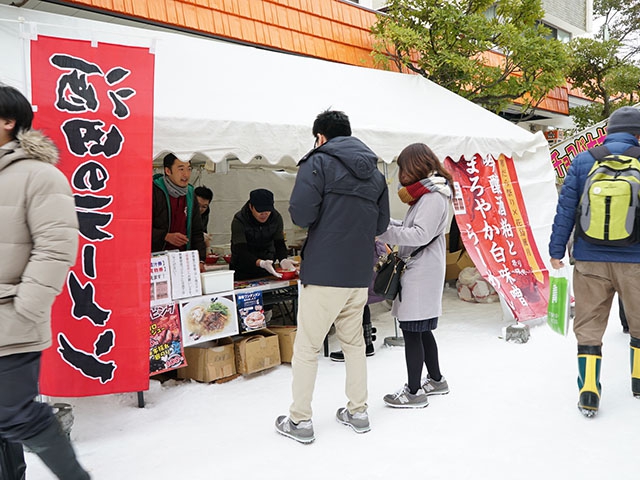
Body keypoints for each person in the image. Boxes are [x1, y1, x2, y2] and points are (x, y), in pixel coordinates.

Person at [275, 110, 389, 443]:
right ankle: (358, 412)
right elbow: (381, 226)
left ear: (321, 137)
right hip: (357, 274)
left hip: (324, 272)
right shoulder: (376, 173)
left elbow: (300, 213)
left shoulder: (318, 162)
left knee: (308, 347)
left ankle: (300, 420)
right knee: (354, 344)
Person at [0, 85, 90, 479]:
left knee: (16, 415)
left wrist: (26, 308)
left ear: (8, 121)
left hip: (11, 320)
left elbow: (56, 247)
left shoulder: (39, 175)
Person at [549, 106, 640, 417]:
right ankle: (639, 380)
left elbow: (565, 210)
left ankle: (589, 389)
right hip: (636, 261)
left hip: (589, 259)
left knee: (588, 327)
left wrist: (556, 250)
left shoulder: (584, 159)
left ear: (609, 131)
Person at [377, 143, 452, 409]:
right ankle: (436, 379)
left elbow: (420, 234)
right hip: (422, 267)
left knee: (412, 330)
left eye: (403, 167)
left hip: (422, 270)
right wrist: (386, 225)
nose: (400, 173)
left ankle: (413, 391)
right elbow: (412, 227)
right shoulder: (428, 193)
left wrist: (384, 233)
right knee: (421, 330)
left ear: (416, 165)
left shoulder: (432, 196)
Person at [329, 239, 389, 360]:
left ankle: (354, 347)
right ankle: (367, 344)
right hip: (369, 257)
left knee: (352, 304)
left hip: (359, 258)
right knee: (361, 302)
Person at [152, 153, 206, 271]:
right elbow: (139, 228)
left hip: (182, 260)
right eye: (181, 169)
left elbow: (197, 230)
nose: (186, 174)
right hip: (156, 260)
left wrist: (201, 259)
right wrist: (165, 236)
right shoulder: (153, 191)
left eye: (189, 169)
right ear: (168, 171)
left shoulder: (191, 193)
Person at [230, 188, 296, 280]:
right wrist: (261, 263)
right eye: (260, 210)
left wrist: (283, 259)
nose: (264, 214)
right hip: (243, 270)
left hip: (268, 268)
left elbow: (279, 242)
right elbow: (240, 250)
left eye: (267, 210)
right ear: (251, 206)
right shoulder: (239, 220)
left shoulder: (276, 218)